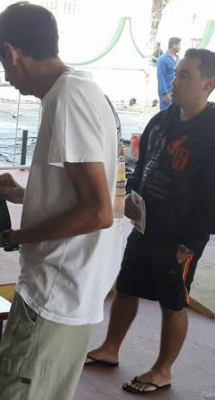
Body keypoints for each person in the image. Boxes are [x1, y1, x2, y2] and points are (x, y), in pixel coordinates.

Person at [0, 3, 119, 399]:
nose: (7, 76)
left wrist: (6, 238)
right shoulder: (79, 89)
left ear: (12, 52)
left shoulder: (67, 97)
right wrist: (27, 193)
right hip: (66, 292)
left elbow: (98, 212)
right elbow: (81, 194)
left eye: (3, 63)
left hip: (52, 296)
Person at [87, 49, 215, 395]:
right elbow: (141, 163)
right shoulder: (162, 120)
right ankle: (110, 348)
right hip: (146, 225)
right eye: (176, 75)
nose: (174, 81)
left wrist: (189, 244)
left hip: (180, 238)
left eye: (184, 76)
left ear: (208, 84)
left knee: (173, 300)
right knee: (127, 285)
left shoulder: (211, 132)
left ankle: (162, 370)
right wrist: (132, 193)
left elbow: (211, 199)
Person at [158, 37, 181, 110]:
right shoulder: (162, 59)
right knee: (165, 115)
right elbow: (160, 77)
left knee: (175, 114)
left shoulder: (178, 59)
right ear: (174, 45)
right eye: (179, 45)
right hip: (167, 92)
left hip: (176, 92)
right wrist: (165, 94)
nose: (180, 47)